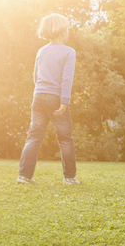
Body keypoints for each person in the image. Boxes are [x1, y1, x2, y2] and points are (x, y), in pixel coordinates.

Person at [17, 13, 80, 185]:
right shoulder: (69, 52)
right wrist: (64, 101)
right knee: (65, 138)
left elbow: (36, 77)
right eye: (67, 29)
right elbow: (66, 79)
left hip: (38, 97)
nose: (68, 32)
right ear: (62, 31)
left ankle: (24, 176)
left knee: (33, 137)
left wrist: (41, 92)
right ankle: (70, 177)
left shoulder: (41, 51)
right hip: (55, 98)